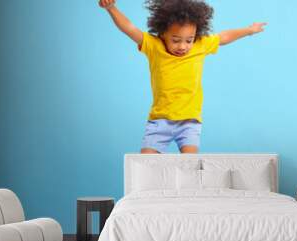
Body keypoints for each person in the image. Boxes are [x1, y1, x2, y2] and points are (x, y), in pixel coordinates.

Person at [98, 0, 266, 154]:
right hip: (159, 121)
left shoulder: (200, 45)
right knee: (146, 165)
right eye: (176, 40)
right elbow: (129, 28)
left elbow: (223, 37)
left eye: (189, 40)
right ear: (163, 33)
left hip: (189, 121)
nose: (183, 46)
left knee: (190, 166)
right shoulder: (153, 46)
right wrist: (111, 8)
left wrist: (249, 30)